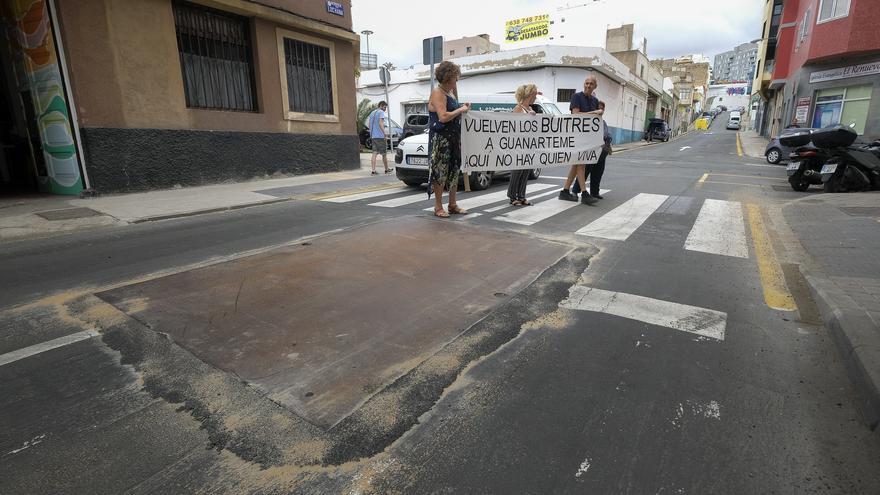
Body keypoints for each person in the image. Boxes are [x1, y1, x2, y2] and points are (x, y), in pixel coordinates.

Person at [428, 61, 470, 218]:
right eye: (455, 77)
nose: (457, 80)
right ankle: (438, 206)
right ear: (448, 78)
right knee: (440, 172)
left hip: (453, 137)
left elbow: (455, 108)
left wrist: (461, 107)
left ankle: (452, 204)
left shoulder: (449, 92)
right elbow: (443, 117)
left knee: (453, 169)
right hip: (441, 138)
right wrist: (460, 109)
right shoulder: (438, 93)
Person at [559, 75, 601, 205]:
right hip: (577, 136)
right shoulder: (576, 97)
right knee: (581, 164)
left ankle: (565, 191)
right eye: (586, 83)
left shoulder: (595, 100)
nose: (588, 85)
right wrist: (594, 113)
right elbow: (575, 115)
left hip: (588, 138)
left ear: (595, 86)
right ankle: (584, 193)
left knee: (576, 164)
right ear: (584, 84)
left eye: (591, 84)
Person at [508, 84, 538, 206]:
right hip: (519, 145)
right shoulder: (518, 108)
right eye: (535, 94)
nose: (536, 96)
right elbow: (514, 126)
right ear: (530, 94)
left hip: (528, 145)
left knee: (525, 171)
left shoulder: (530, 109)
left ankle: (521, 195)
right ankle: (512, 196)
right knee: (517, 171)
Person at [368, 101, 392, 175]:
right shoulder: (381, 112)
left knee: (374, 153)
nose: (385, 109)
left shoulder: (372, 113)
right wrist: (384, 133)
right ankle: (386, 169)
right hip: (380, 137)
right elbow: (380, 123)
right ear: (381, 106)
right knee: (384, 154)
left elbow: (369, 124)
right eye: (385, 107)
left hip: (373, 136)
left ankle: (373, 170)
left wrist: (372, 132)